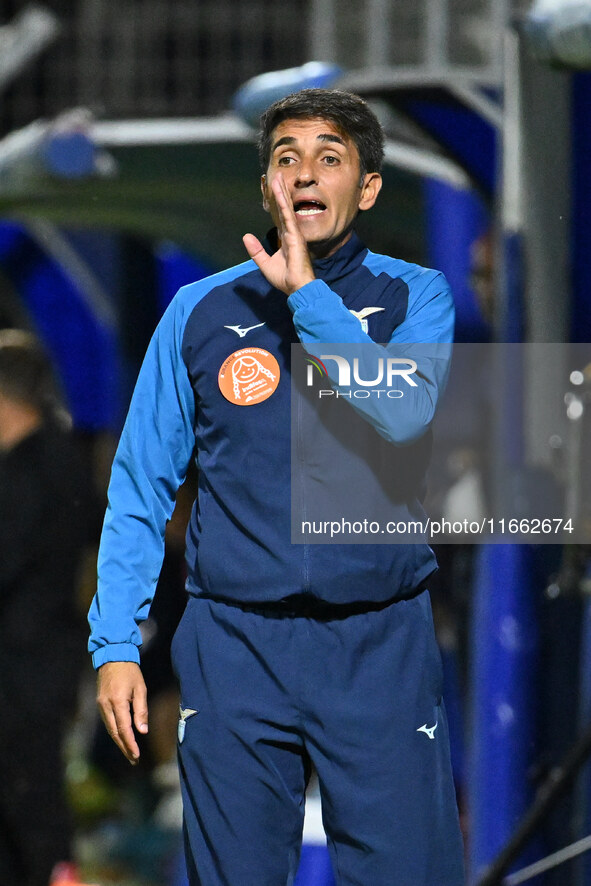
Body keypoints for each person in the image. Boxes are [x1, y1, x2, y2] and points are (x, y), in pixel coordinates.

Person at [89, 89, 465, 885]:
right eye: (285, 158)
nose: (304, 174)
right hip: (235, 645)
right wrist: (118, 641)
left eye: (329, 158)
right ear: (265, 186)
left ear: (365, 189)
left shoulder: (414, 296)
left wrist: (306, 298)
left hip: (378, 642)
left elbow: (401, 413)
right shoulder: (198, 310)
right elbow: (139, 486)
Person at [0, 329, 94, 886]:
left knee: (31, 811)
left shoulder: (30, 475)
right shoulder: (61, 460)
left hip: (23, 673)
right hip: (38, 665)